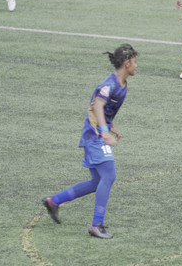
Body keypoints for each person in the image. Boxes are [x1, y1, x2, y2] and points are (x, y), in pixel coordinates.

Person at [42, 44, 138, 239]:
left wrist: (110, 126)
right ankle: (97, 225)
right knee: (109, 176)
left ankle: (54, 201)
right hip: (94, 136)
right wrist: (103, 132)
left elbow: (103, 109)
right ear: (127, 63)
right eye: (135, 62)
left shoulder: (122, 84)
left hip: (96, 133)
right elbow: (98, 106)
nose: (137, 66)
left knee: (97, 182)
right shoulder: (109, 84)